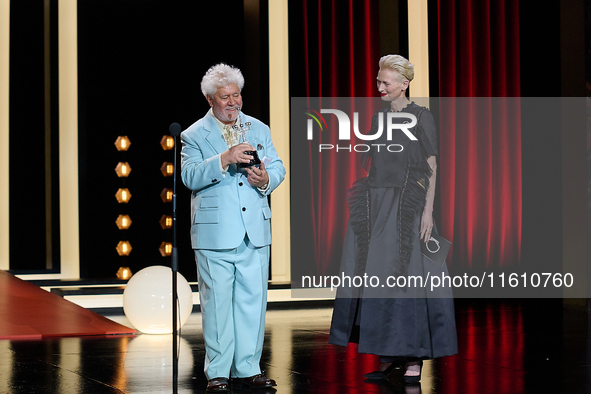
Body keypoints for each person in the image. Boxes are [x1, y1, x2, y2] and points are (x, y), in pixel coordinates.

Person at [328, 55, 458, 383]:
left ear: (405, 84)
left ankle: (412, 357)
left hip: (408, 205)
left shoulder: (421, 117)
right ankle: (388, 356)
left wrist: (427, 212)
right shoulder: (379, 118)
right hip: (377, 204)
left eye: (386, 82)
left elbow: (431, 165)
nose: (380, 87)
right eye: (378, 81)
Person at [181, 63, 285, 392]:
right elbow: (189, 176)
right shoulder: (194, 134)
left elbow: (278, 166)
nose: (232, 102)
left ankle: (248, 368)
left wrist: (267, 179)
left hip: (254, 230)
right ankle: (218, 373)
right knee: (218, 307)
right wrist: (224, 158)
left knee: (253, 304)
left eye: (236, 95)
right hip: (215, 234)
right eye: (225, 97)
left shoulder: (258, 128)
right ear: (210, 100)